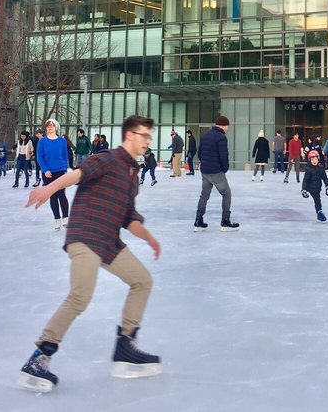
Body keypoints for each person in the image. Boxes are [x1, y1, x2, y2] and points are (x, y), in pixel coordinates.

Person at [18, 115, 162, 392]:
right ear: (130, 136)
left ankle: (125, 346)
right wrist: (49, 188)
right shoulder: (108, 158)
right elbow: (77, 174)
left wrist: (150, 238)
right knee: (80, 296)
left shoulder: (133, 175)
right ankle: (39, 358)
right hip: (85, 234)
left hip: (108, 242)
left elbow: (129, 217)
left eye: (148, 136)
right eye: (143, 135)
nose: (147, 141)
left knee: (142, 281)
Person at [194, 116, 239, 231]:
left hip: (205, 171)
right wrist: (225, 168)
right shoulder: (221, 137)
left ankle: (198, 221)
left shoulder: (206, 135)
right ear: (223, 125)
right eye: (227, 126)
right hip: (216, 171)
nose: (227, 129)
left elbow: (200, 152)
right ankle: (225, 221)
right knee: (226, 194)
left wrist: (204, 163)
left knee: (204, 195)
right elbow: (223, 155)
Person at [37, 119, 71, 230]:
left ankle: (65, 218)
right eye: (48, 125)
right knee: (53, 196)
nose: (50, 127)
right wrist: (45, 170)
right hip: (48, 173)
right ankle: (57, 218)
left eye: (52, 125)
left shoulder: (62, 140)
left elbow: (65, 155)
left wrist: (65, 169)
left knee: (62, 194)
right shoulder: (42, 141)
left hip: (60, 171)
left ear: (56, 127)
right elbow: (40, 157)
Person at [301, 149, 328, 222]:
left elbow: (325, 178)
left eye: (315, 159)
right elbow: (305, 180)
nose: (314, 161)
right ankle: (319, 213)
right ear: (309, 160)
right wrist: (304, 189)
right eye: (312, 160)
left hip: (318, 187)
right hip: (311, 188)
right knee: (317, 200)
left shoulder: (321, 168)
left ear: (318, 159)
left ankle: (319, 212)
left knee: (317, 199)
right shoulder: (308, 169)